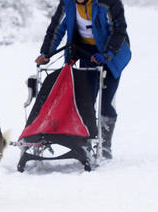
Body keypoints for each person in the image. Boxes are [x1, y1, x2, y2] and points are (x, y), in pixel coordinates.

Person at [35, 0, 131, 159]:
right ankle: (87, 142)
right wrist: (46, 53)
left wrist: (107, 54)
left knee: (105, 103)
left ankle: (105, 145)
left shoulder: (109, 2)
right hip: (87, 53)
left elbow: (119, 30)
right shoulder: (67, 3)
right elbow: (56, 28)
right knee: (85, 100)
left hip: (113, 54)